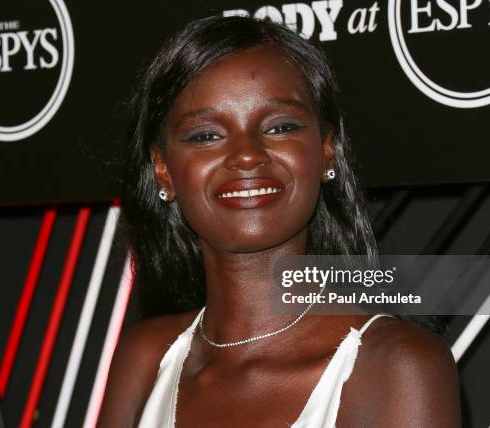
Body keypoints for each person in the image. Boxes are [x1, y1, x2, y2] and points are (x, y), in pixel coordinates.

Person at [98, 16, 461, 427]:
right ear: (163, 169)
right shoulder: (146, 357)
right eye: (206, 135)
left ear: (326, 152)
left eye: (280, 127)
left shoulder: (397, 365)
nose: (248, 155)